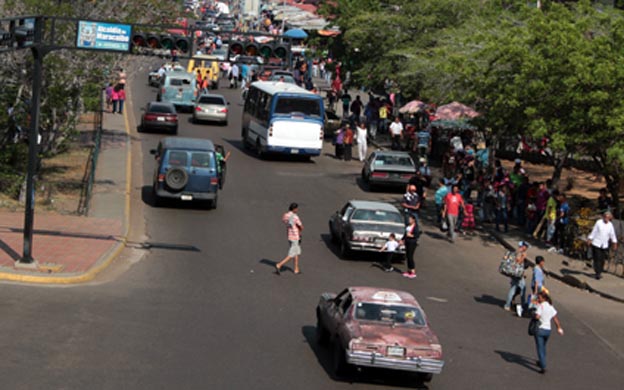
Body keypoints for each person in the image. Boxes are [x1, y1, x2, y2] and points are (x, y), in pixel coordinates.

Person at [533, 291, 564, 374]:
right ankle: (541, 361)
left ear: (543, 298)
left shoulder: (541, 306)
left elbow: (537, 317)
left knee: (540, 348)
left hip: (540, 330)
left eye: (539, 298)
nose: (538, 299)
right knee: (543, 346)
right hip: (548, 331)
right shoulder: (550, 306)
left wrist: (535, 314)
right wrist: (559, 328)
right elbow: (555, 318)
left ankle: (543, 366)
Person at [587, 211, 618, 280]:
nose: (606, 218)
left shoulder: (610, 225)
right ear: (603, 217)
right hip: (596, 243)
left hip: (604, 245)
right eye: (605, 217)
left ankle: (600, 271)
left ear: (610, 218)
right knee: (597, 258)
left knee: (602, 259)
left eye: (608, 217)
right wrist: (590, 239)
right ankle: (598, 273)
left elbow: (612, 234)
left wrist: (614, 243)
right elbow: (594, 231)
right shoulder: (599, 222)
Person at [275, 203, 304, 275]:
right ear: (294, 209)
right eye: (296, 208)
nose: (297, 210)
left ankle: (296, 269)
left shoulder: (286, 215)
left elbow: (284, 221)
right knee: (292, 254)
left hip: (289, 236)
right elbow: (301, 227)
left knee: (296, 252)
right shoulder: (295, 217)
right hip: (295, 236)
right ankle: (279, 265)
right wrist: (299, 230)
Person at [503, 241, 529, 314]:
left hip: (519, 274)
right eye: (526, 247)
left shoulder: (518, 252)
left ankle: (510, 304)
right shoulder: (519, 252)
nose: (526, 248)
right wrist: (523, 257)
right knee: (518, 289)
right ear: (523, 246)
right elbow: (518, 263)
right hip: (517, 275)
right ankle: (510, 305)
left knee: (517, 289)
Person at [402, 215, 418, 279]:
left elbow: (416, 235)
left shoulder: (416, 227)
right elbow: (405, 234)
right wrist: (402, 239)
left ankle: (413, 271)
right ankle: (409, 270)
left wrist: (411, 235)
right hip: (407, 242)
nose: (409, 220)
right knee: (407, 256)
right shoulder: (408, 226)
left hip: (412, 243)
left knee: (411, 256)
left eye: (410, 219)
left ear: (413, 220)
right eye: (409, 219)